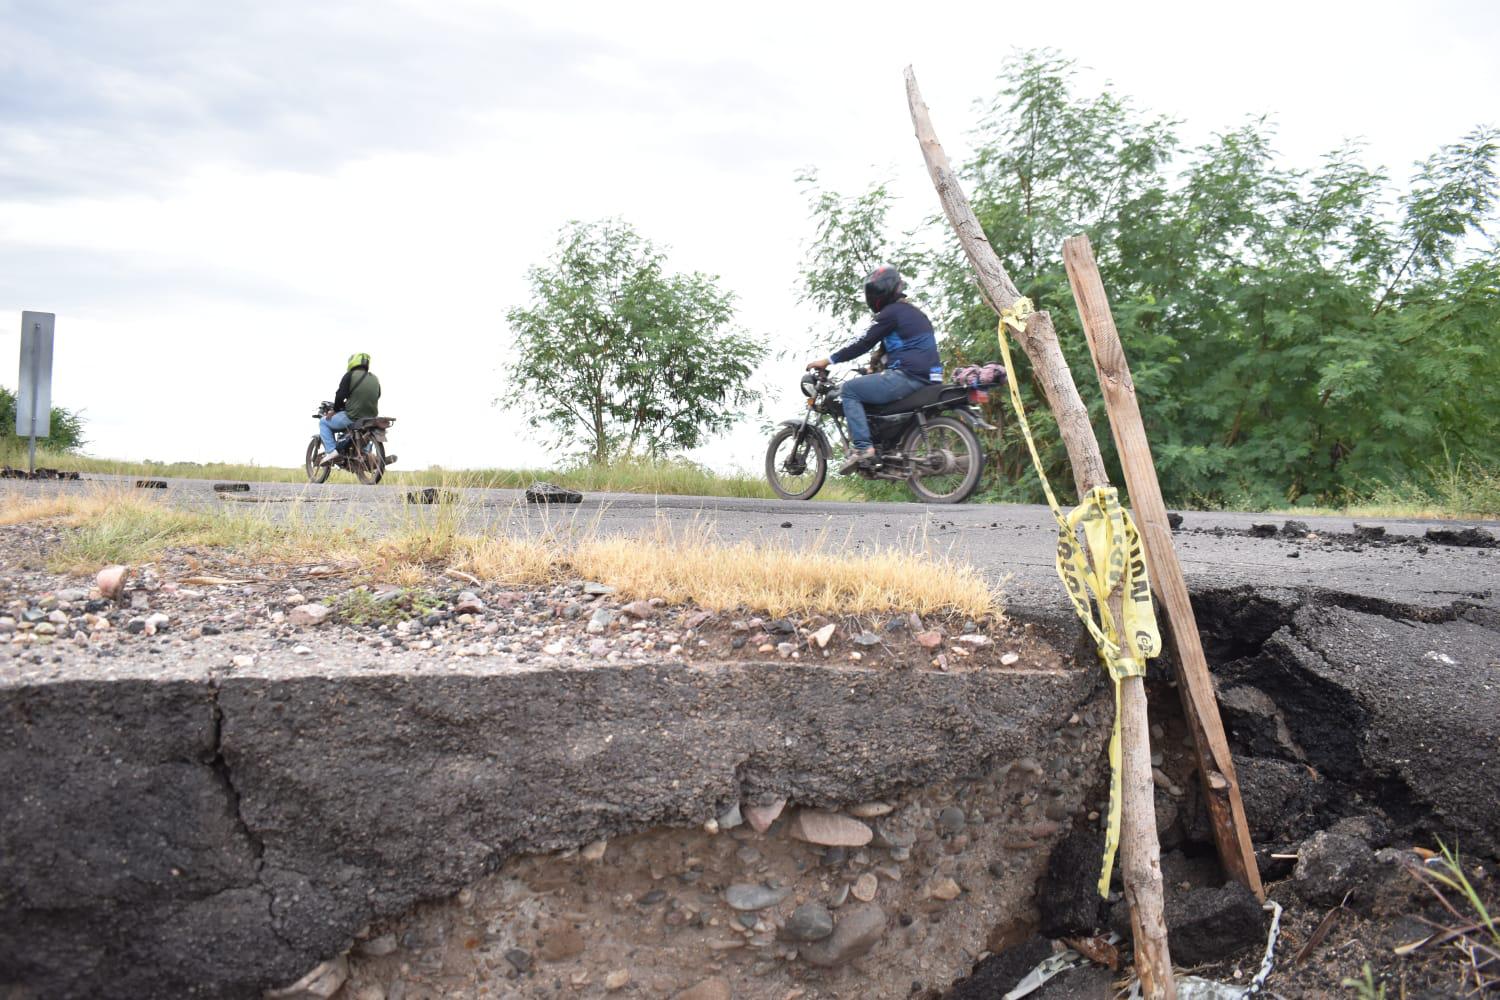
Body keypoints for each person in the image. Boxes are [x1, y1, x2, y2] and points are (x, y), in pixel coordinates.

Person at [807, 266, 942, 473]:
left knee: (850, 390)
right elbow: (897, 347)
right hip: (929, 378)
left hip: (907, 376)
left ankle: (862, 449)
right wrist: (872, 368)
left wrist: (828, 360)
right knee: (869, 392)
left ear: (877, 293)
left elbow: (863, 342)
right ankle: (884, 450)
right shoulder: (914, 313)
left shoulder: (890, 314)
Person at [319, 352, 382, 465]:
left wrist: (335, 410)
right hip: (371, 418)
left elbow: (340, 395)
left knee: (323, 422)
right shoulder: (375, 378)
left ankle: (331, 452)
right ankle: (366, 453)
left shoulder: (350, 375)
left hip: (352, 416)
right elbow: (378, 395)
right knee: (366, 431)